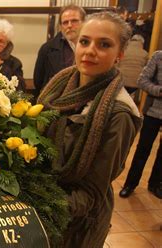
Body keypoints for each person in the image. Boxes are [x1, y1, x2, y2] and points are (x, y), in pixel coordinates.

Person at [37, 11, 142, 247]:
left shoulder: (118, 114)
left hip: (77, 225)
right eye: (85, 41)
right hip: (45, 204)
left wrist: (38, 209)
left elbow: (91, 194)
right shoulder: (60, 88)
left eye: (104, 44)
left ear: (120, 54)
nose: (90, 50)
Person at [119, 50, 162, 199]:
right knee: (143, 149)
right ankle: (130, 184)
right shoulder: (158, 56)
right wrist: (159, 90)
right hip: (152, 112)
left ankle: (155, 184)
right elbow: (142, 80)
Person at [33, 4, 86, 95]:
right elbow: (38, 81)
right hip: (55, 102)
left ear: (84, 22)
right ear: (61, 27)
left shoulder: (92, 47)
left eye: (74, 21)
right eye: (65, 22)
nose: (69, 25)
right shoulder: (47, 49)